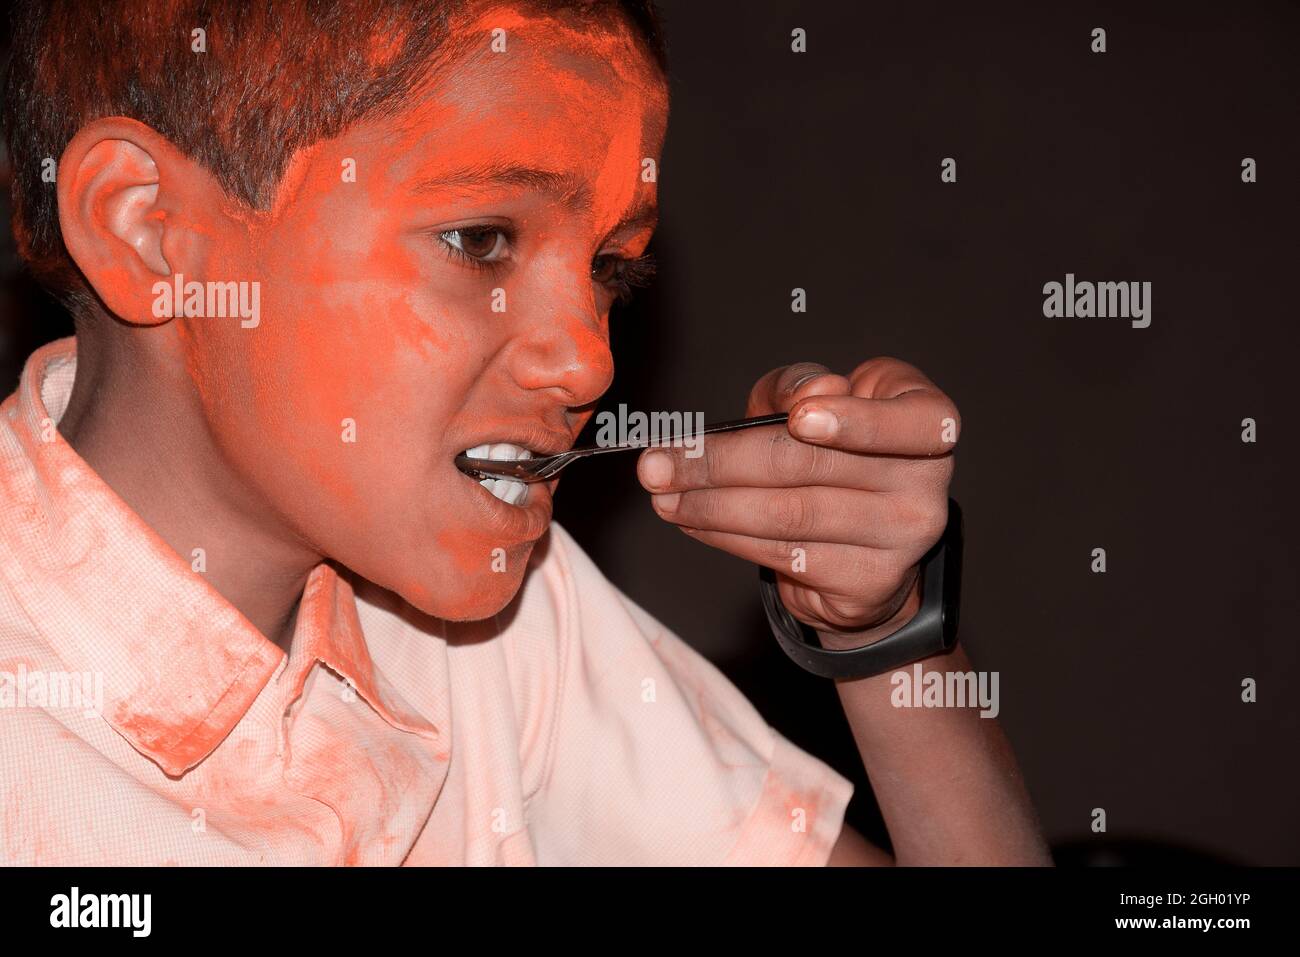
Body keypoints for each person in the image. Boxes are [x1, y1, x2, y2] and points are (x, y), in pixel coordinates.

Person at [0, 0, 1050, 865]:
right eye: (480, 241)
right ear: (148, 229)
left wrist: (885, 633)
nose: (590, 359)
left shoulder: (493, 632)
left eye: (608, 271)